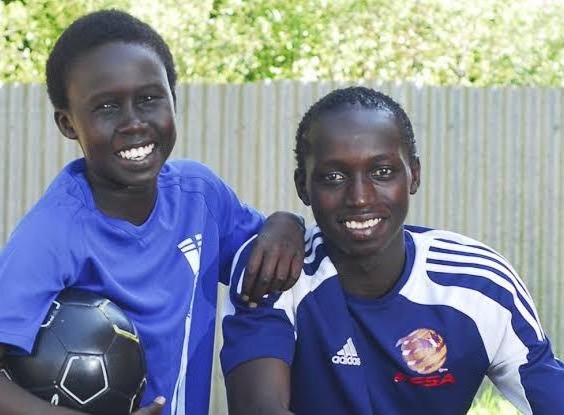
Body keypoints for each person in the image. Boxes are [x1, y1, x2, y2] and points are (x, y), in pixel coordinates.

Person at [0, 9, 306, 415]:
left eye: (149, 98)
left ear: (173, 97)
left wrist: (286, 223)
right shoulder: (56, 232)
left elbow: (260, 250)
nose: (134, 123)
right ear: (67, 123)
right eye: (107, 107)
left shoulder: (200, 197)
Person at [220, 86, 564, 415]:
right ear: (302, 186)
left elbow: (547, 390)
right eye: (334, 177)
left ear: (413, 175)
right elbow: (257, 409)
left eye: (382, 172)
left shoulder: (478, 284)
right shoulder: (274, 272)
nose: (360, 197)